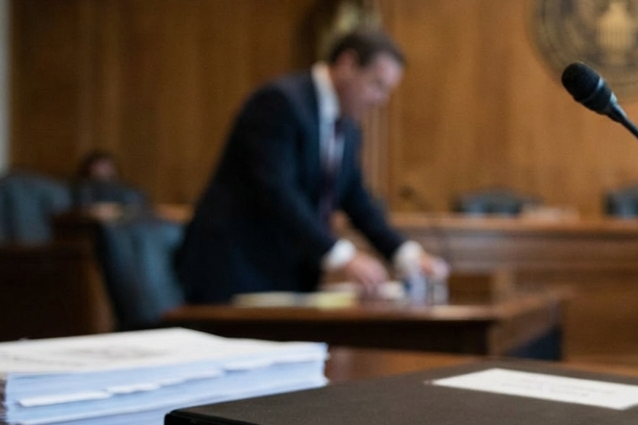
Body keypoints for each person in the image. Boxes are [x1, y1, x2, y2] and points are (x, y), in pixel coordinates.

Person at [175, 29, 444, 304]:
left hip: (285, 277)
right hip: (235, 271)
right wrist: (341, 255)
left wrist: (405, 254)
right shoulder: (279, 102)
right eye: (376, 84)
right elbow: (277, 192)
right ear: (348, 64)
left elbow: (355, 199)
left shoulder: (348, 127)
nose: (381, 99)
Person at [70, 150, 148, 214]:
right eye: (100, 165)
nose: (105, 169)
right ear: (90, 167)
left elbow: (138, 203)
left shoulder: (124, 187)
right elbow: (86, 208)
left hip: (127, 218)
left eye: (108, 165)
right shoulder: (84, 187)